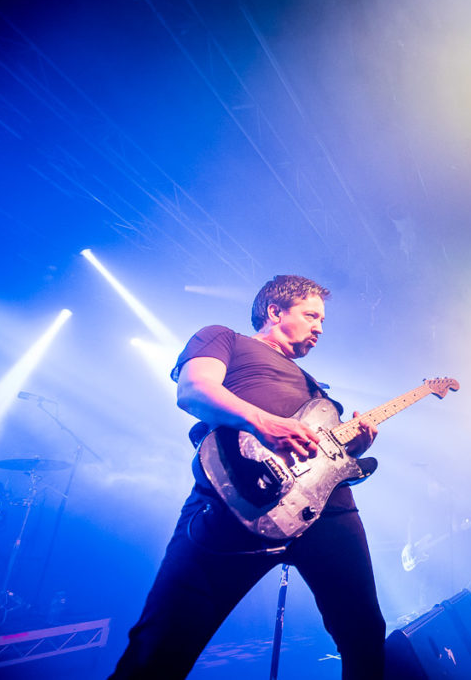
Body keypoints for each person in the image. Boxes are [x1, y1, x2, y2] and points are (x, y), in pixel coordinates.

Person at [110, 275, 385, 679]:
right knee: (160, 646)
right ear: (275, 311)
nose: (320, 328)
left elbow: (325, 455)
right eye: (311, 316)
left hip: (327, 510)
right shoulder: (224, 338)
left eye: (323, 321)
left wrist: (354, 447)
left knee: (365, 635)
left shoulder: (314, 387)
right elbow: (193, 390)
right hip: (235, 497)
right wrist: (264, 422)